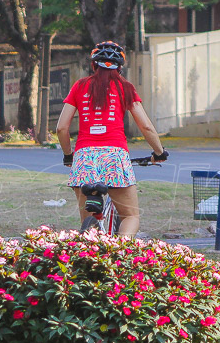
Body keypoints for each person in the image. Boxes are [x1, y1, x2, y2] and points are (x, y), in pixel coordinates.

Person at [56, 41, 167, 238]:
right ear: (121, 68)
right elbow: (146, 126)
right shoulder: (125, 87)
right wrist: (159, 152)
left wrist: (68, 155)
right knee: (130, 216)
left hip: (84, 158)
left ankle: (89, 257)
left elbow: (62, 127)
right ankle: (120, 254)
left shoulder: (80, 86)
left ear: (93, 65)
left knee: (87, 225)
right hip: (115, 157)